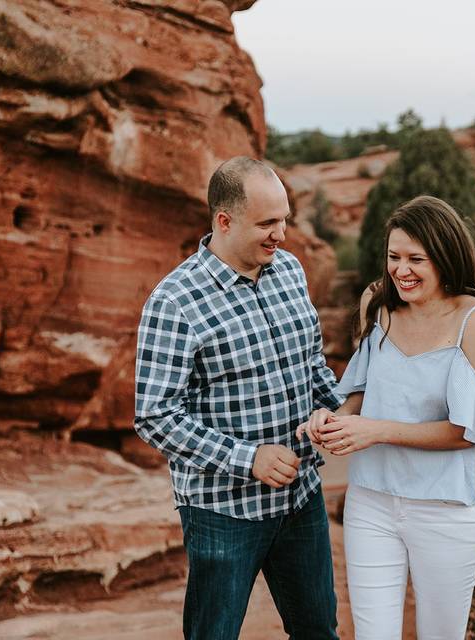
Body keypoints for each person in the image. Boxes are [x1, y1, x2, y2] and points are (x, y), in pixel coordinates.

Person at [134, 157, 341, 640]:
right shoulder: (175, 301)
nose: (282, 235)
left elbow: (311, 365)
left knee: (318, 631)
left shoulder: (289, 270)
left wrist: (333, 410)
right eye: (267, 223)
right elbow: (154, 415)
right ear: (224, 221)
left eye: (284, 219)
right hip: (222, 510)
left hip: (300, 497)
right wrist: (247, 459)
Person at [296, 195, 475, 639]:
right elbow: (361, 387)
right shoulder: (379, 302)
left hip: (445, 510)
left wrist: (375, 430)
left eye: (416, 259)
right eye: (393, 257)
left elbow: (468, 434)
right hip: (371, 501)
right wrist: (332, 418)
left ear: (446, 256)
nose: (400, 270)